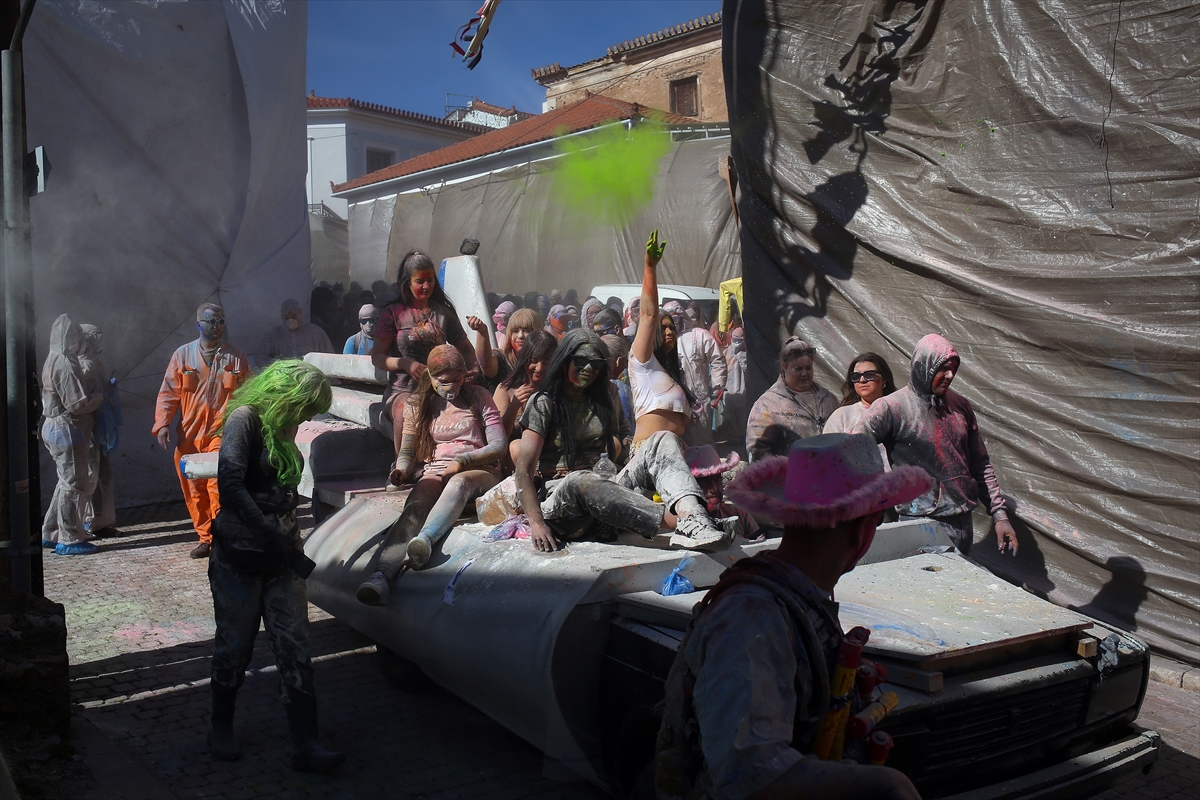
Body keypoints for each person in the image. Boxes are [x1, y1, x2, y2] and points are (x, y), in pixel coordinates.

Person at [656, 434, 929, 800]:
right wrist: (885, 784)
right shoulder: (752, 617)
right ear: (861, 531)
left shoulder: (790, 597)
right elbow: (750, 777)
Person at [206, 360, 345, 772]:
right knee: (235, 646)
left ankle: (306, 742)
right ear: (286, 394)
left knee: (294, 646)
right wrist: (267, 534)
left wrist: (284, 541)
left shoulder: (284, 425)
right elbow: (229, 484)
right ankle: (220, 727)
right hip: (241, 556)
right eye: (304, 406)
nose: (305, 417)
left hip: (282, 558)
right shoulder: (245, 418)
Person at [514, 328, 729, 552]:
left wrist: (637, 454)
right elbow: (523, 471)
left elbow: (627, 440)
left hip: (608, 487)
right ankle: (677, 523)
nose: (588, 369)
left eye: (596, 364)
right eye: (581, 362)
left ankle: (694, 517)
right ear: (564, 361)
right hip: (564, 503)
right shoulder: (543, 403)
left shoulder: (606, 396)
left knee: (663, 438)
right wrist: (537, 524)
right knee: (581, 481)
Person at [357, 346, 506, 605]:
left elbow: (499, 445)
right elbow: (407, 452)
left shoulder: (479, 396)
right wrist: (401, 471)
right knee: (416, 504)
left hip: (481, 471)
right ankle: (381, 575)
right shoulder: (417, 404)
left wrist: (463, 460)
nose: (451, 386)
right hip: (435, 471)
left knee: (459, 482)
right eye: (443, 381)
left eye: (456, 379)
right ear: (431, 378)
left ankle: (424, 541)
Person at [861, 334, 1018, 556]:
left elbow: (980, 464)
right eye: (943, 369)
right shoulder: (891, 407)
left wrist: (1000, 515)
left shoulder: (960, 406)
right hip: (920, 525)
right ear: (923, 366)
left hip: (962, 522)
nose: (950, 375)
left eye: (953, 369)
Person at [154, 303, 253, 558]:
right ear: (199, 324)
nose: (217, 327)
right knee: (193, 488)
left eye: (221, 322)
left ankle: (220, 538)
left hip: (221, 432)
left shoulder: (236, 357)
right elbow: (168, 392)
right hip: (189, 433)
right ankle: (205, 538)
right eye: (212, 322)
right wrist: (163, 423)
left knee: (216, 485)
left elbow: (250, 392)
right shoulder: (182, 356)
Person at [371, 249, 476, 455]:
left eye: (430, 280)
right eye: (420, 281)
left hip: (441, 390)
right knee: (407, 410)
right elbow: (377, 357)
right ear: (407, 282)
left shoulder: (444, 313)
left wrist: (472, 369)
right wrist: (404, 363)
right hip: (402, 391)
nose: (426, 286)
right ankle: (402, 466)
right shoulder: (393, 314)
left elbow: (465, 348)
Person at [40, 315, 105, 555]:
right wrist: (98, 398)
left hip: (55, 426)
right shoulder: (66, 363)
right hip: (67, 428)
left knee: (65, 481)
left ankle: (51, 531)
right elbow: (77, 404)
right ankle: (69, 538)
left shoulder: (52, 358)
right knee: (74, 483)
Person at [628, 231, 696, 451]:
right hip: (651, 454)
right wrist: (650, 268)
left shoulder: (670, 373)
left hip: (676, 452)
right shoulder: (642, 363)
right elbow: (649, 315)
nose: (669, 332)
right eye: (663, 328)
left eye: (672, 327)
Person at [746, 337, 839, 462]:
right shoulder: (767, 405)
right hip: (789, 472)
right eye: (798, 369)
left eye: (808, 368)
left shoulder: (828, 399)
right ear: (785, 367)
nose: (804, 374)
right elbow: (757, 450)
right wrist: (781, 470)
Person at [664, 301, 727, 445]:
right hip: (673, 398)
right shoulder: (664, 339)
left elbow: (717, 360)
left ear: (682, 316)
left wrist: (718, 385)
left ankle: (707, 459)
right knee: (677, 439)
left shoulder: (700, 335)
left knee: (701, 438)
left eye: (675, 319)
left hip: (698, 396)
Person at [79, 324, 121, 537]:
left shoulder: (95, 363)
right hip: (88, 427)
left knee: (102, 474)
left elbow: (101, 388)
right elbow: (82, 400)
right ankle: (87, 521)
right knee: (89, 475)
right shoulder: (83, 366)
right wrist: (102, 399)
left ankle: (102, 521)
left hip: (99, 427)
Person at [495, 330, 557, 462]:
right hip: (516, 459)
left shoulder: (560, 389)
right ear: (524, 360)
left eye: (546, 362)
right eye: (534, 361)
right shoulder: (506, 389)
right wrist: (514, 406)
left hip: (552, 456)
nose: (539, 368)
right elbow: (497, 439)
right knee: (517, 446)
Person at [824, 352, 897, 434]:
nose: (862, 380)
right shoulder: (842, 415)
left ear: (884, 379)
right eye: (856, 376)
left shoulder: (898, 413)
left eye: (869, 375)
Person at [266, 299, 334, 360]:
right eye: (287, 318)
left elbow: (329, 357)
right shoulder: (274, 335)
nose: (291, 321)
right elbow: (262, 357)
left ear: (300, 314)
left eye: (293, 317)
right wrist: (278, 364)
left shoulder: (316, 333)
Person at [601, 333, 634, 429]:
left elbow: (623, 424)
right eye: (625, 361)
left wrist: (627, 436)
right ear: (618, 361)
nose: (625, 366)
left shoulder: (612, 388)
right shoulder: (601, 389)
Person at [498, 307, 542, 373]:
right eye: (515, 331)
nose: (520, 336)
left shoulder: (547, 361)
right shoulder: (501, 360)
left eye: (526, 331)